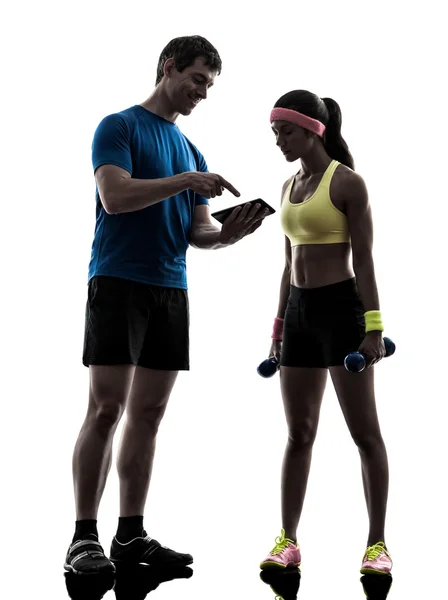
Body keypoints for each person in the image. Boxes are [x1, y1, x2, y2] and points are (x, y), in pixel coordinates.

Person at [64, 34, 268, 576]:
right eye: (198, 78)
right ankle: (84, 537)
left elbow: (198, 233)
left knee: (148, 416)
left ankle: (130, 537)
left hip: (170, 290)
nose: (203, 92)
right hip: (117, 281)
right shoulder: (120, 126)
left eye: (210, 85)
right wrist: (185, 180)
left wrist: (229, 235)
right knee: (106, 408)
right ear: (169, 67)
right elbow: (116, 196)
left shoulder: (192, 151)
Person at [259, 90, 393, 576]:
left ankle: (377, 545)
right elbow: (287, 261)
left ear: (313, 129)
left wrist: (373, 327)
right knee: (299, 433)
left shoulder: (347, 183)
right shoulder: (288, 185)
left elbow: (366, 260)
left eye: (286, 132)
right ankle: (287, 540)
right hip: (298, 315)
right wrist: (277, 327)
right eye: (274, 133)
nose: (279, 141)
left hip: (342, 312)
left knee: (365, 434)